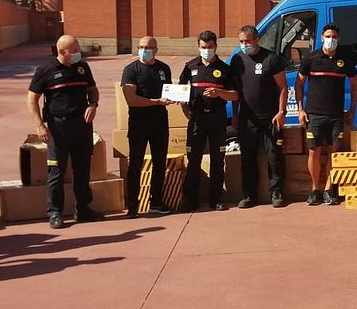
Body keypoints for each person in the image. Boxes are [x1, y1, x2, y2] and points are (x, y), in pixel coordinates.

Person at [25, 35, 103, 228]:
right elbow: (31, 99)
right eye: (74, 50)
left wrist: (93, 105)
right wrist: (39, 126)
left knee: (82, 168)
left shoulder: (83, 68)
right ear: (62, 52)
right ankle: (55, 213)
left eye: (78, 49)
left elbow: (92, 90)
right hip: (58, 128)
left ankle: (83, 209)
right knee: (56, 171)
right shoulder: (46, 70)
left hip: (82, 126)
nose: (78, 53)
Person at [296, 23, 357, 205]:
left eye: (334, 37)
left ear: (338, 39)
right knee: (314, 151)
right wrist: (301, 109)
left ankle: (328, 190)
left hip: (336, 115)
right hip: (314, 114)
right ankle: (315, 189)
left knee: (334, 151)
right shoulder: (311, 58)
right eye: (328, 36)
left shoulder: (344, 59)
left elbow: (355, 84)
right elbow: (299, 84)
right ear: (322, 38)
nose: (331, 40)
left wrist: (352, 109)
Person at [178, 31, 238, 212]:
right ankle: (191, 200)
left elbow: (235, 95)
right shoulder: (190, 67)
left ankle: (217, 199)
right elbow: (180, 90)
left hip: (217, 119)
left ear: (216, 47)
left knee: (218, 160)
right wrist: (185, 110)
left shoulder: (225, 69)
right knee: (193, 160)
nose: (207, 50)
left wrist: (219, 93)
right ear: (198, 47)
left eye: (210, 47)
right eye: (203, 47)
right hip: (197, 120)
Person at [230, 25, 288, 208]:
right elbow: (236, 90)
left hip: (271, 118)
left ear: (256, 40)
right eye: (241, 42)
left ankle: (277, 192)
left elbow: (283, 87)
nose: (244, 45)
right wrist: (235, 114)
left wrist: (281, 112)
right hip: (247, 119)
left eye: (247, 41)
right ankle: (249, 195)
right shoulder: (237, 60)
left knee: (274, 156)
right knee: (247, 157)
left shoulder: (271, 59)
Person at [120, 36, 174, 218]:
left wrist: (173, 98)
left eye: (148, 47)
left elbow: (168, 90)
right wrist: (157, 101)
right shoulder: (131, 70)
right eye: (141, 47)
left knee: (159, 163)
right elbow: (131, 99)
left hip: (160, 122)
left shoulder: (163, 69)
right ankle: (133, 206)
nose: (144, 50)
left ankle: (156, 201)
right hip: (138, 123)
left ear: (156, 50)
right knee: (135, 163)